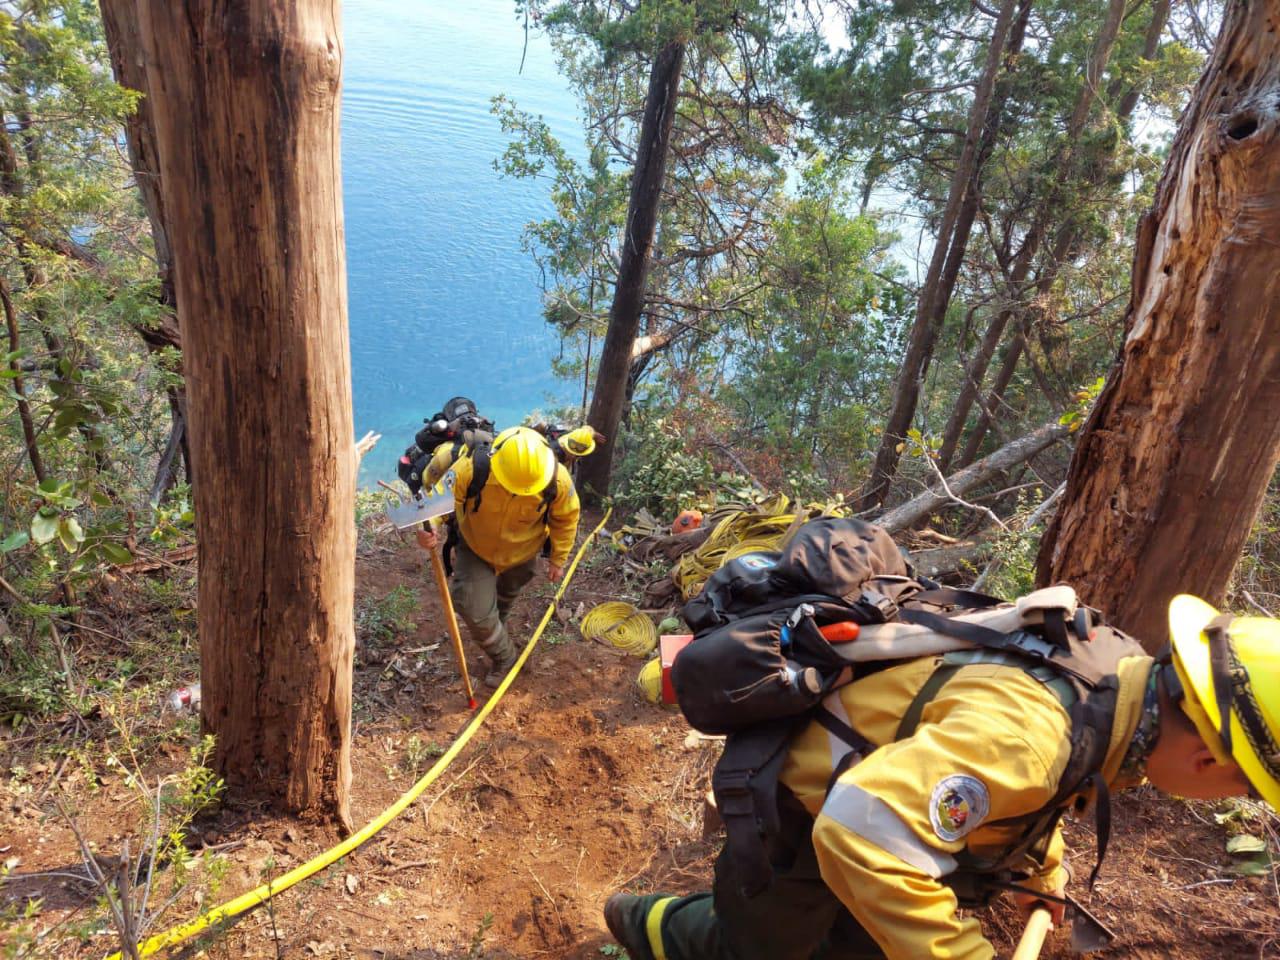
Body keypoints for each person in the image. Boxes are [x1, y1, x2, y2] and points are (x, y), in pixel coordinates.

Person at [604, 594, 1280, 959]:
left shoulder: (1122, 685)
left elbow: (1034, 790)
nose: (1238, 797)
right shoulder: (1031, 734)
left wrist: (1043, 875)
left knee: (862, 944)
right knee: (757, 948)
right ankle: (646, 922)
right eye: (1250, 786)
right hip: (804, 813)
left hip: (882, 807)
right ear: (1212, 761)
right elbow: (860, 830)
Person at [417, 426, 580, 687]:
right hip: (476, 546)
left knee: (507, 594)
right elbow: (437, 501)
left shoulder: (557, 479)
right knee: (471, 604)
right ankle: (505, 657)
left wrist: (558, 559)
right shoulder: (472, 467)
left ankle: (496, 626)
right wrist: (429, 527)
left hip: (523, 552)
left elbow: (566, 519)